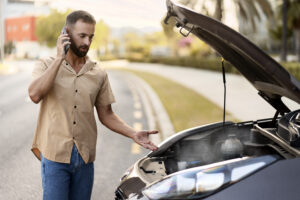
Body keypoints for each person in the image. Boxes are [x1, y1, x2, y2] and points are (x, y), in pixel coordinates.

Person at [28, 10, 158, 200]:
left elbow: (107, 114)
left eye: (91, 37)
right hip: (55, 156)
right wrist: (58, 59)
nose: (87, 43)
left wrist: (133, 133)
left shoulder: (98, 73)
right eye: (82, 36)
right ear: (66, 33)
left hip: (85, 159)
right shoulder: (46, 64)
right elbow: (34, 94)